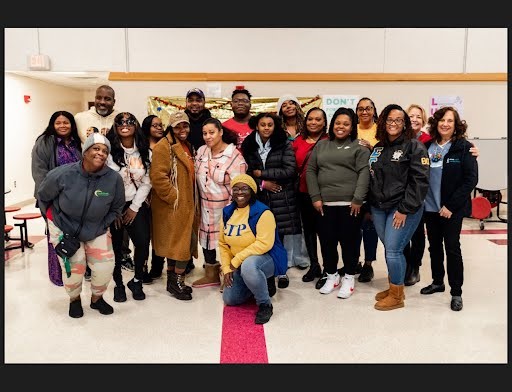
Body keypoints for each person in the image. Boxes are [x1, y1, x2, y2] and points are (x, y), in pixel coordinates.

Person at [36, 132, 125, 318]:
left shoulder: (113, 179)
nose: (100, 153)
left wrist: (103, 225)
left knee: (104, 267)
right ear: (85, 152)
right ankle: (74, 300)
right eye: (96, 148)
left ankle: (96, 299)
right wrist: (52, 221)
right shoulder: (63, 174)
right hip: (64, 227)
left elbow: (117, 208)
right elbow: (43, 196)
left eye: (104, 150)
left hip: (97, 229)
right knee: (74, 269)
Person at [368, 103, 430, 311]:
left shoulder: (414, 146)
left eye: (398, 120)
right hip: (379, 207)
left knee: (393, 250)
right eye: (389, 120)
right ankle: (395, 287)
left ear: (404, 124)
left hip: (403, 208)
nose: (393, 124)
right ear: (383, 123)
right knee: (391, 250)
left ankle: (397, 297)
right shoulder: (378, 148)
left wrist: (404, 209)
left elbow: (420, 182)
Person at [306, 107, 370, 297]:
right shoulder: (322, 145)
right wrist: (315, 197)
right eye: (338, 123)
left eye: (346, 124)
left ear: (352, 127)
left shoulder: (359, 146)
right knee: (327, 242)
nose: (341, 127)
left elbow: (364, 173)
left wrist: (358, 199)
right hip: (324, 205)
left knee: (349, 243)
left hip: (351, 205)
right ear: (332, 124)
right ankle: (332, 275)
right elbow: (310, 170)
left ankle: (349, 277)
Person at [420, 107, 478, 312]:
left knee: (452, 248)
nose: (445, 124)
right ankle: (438, 282)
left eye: (450, 121)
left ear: (456, 125)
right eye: (442, 120)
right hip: (430, 208)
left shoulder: (464, 148)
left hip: (452, 210)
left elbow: (470, 180)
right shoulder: (426, 146)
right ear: (436, 123)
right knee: (434, 247)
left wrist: (450, 206)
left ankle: (456, 292)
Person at [74, 85, 133, 277]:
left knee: (117, 215)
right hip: (87, 177)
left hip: (112, 176)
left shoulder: (118, 119)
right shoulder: (81, 118)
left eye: (107, 99)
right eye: (99, 98)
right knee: (90, 215)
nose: (102, 102)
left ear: (113, 101)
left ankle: (122, 254)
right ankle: (88, 262)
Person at [241, 112, 301, 289]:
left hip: (281, 197)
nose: (266, 128)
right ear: (256, 126)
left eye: (270, 124)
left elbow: (290, 170)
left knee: (279, 238)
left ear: (275, 126)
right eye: (262, 124)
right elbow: (247, 172)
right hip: (259, 197)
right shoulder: (249, 145)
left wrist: (264, 173)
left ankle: (281, 272)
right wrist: (262, 183)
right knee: (260, 237)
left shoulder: (283, 143)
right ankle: (265, 272)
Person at [219, 174, 287, 324]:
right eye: (235, 189)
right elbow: (223, 244)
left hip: (266, 258)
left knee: (249, 266)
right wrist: (226, 268)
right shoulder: (227, 212)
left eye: (244, 189)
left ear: (252, 191)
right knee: (230, 298)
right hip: (239, 263)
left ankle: (265, 304)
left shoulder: (263, 212)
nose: (239, 193)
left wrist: (235, 261)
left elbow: (264, 244)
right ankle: (259, 283)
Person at [150, 111, 199, 301]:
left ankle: (172, 281)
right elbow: (158, 177)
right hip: (174, 206)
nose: (182, 130)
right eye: (177, 126)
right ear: (171, 128)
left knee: (177, 243)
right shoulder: (164, 146)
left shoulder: (187, 146)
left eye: (185, 125)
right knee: (181, 245)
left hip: (187, 203)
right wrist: (174, 197)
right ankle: (178, 281)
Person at [193, 118, 247, 288]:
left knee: (229, 242)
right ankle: (211, 274)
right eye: (204, 133)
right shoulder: (201, 152)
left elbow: (240, 187)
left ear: (221, 132)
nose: (208, 137)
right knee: (206, 240)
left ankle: (230, 276)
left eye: (212, 132)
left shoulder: (234, 155)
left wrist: (235, 211)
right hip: (204, 206)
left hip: (226, 207)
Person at [31, 110, 82, 287]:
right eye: (58, 123)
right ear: (52, 125)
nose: (62, 126)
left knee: (75, 235)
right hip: (52, 199)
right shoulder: (44, 142)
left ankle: (76, 273)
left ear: (72, 125)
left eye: (66, 122)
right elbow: (39, 173)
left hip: (76, 199)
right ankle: (58, 275)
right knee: (57, 236)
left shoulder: (77, 143)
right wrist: (52, 195)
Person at [106, 112, 152, 302]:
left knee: (142, 243)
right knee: (116, 247)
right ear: (115, 127)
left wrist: (134, 207)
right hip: (113, 206)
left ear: (136, 126)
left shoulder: (145, 152)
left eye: (129, 122)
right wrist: (115, 209)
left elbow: (147, 182)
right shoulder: (108, 152)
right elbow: (105, 182)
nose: (125, 125)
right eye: (120, 122)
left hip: (136, 203)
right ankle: (118, 284)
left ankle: (137, 280)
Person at [293, 107, 329, 287]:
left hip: (324, 195)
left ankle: (328, 269)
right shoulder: (298, 140)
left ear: (324, 123)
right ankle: (314, 264)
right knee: (308, 231)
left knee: (325, 232)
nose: (313, 122)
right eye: (310, 119)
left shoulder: (329, 140)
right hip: (302, 193)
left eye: (318, 119)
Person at [275, 94, 310, 270]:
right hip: (286, 178)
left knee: (303, 220)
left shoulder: (307, 128)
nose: (288, 107)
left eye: (291, 103)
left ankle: (302, 256)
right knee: (289, 219)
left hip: (305, 178)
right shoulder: (278, 131)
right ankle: (288, 257)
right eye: (284, 105)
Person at [354, 97, 380, 283]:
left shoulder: (381, 129)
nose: (364, 112)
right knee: (353, 228)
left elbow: (384, 154)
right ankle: (353, 261)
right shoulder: (350, 128)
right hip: (353, 185)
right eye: (361, 109)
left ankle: (368, 264)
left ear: (374, 111)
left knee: (370, 226)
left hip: (374, 186)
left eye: (368, 108)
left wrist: (371, 148)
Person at [140, 114, 167, 283]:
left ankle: (157, 267)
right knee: (143, 235)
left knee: (160, 234)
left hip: (161, 196)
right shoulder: (140, 147)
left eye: (161, 125)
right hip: (143, 196)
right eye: (155, 125)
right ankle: (141, 267)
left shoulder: (166, 146)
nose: (159, 128)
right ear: (147, 128)